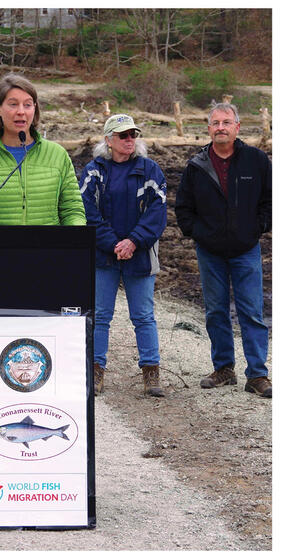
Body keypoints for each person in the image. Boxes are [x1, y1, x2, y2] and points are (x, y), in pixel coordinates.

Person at [173, 102, 271, 398]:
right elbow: (183, 208)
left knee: (252, 312)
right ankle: (224, 369)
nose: (220, 128)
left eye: (226, 122)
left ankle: (257, 375)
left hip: (246, 250)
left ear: (237, 127)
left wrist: (255, 229)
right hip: (210, 252)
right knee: (216, 312)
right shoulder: (196, 165)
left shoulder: (256, 160)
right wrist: (201, 234)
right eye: (215, 123)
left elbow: (270, 200)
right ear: (208, 129)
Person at [81, 115, 168, 398]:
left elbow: (157, 213)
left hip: (140, 255)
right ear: (108, 140)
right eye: (123, 135)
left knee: (143, 316)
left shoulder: (150, 170)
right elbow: (87, 213)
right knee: (100, 315)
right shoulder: (93, 171)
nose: (129, 139)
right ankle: (95, 372)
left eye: (133, 134)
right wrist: (114, 243)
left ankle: (151, 374)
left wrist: (133, 241)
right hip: (103, 258)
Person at [0, 73, 85, 226]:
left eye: (27, 105)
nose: (21, 111)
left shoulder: (58, 155)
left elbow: (73, 211)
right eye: (13, 104)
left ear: (34, 108)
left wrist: (73, 243)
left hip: (48, 249)